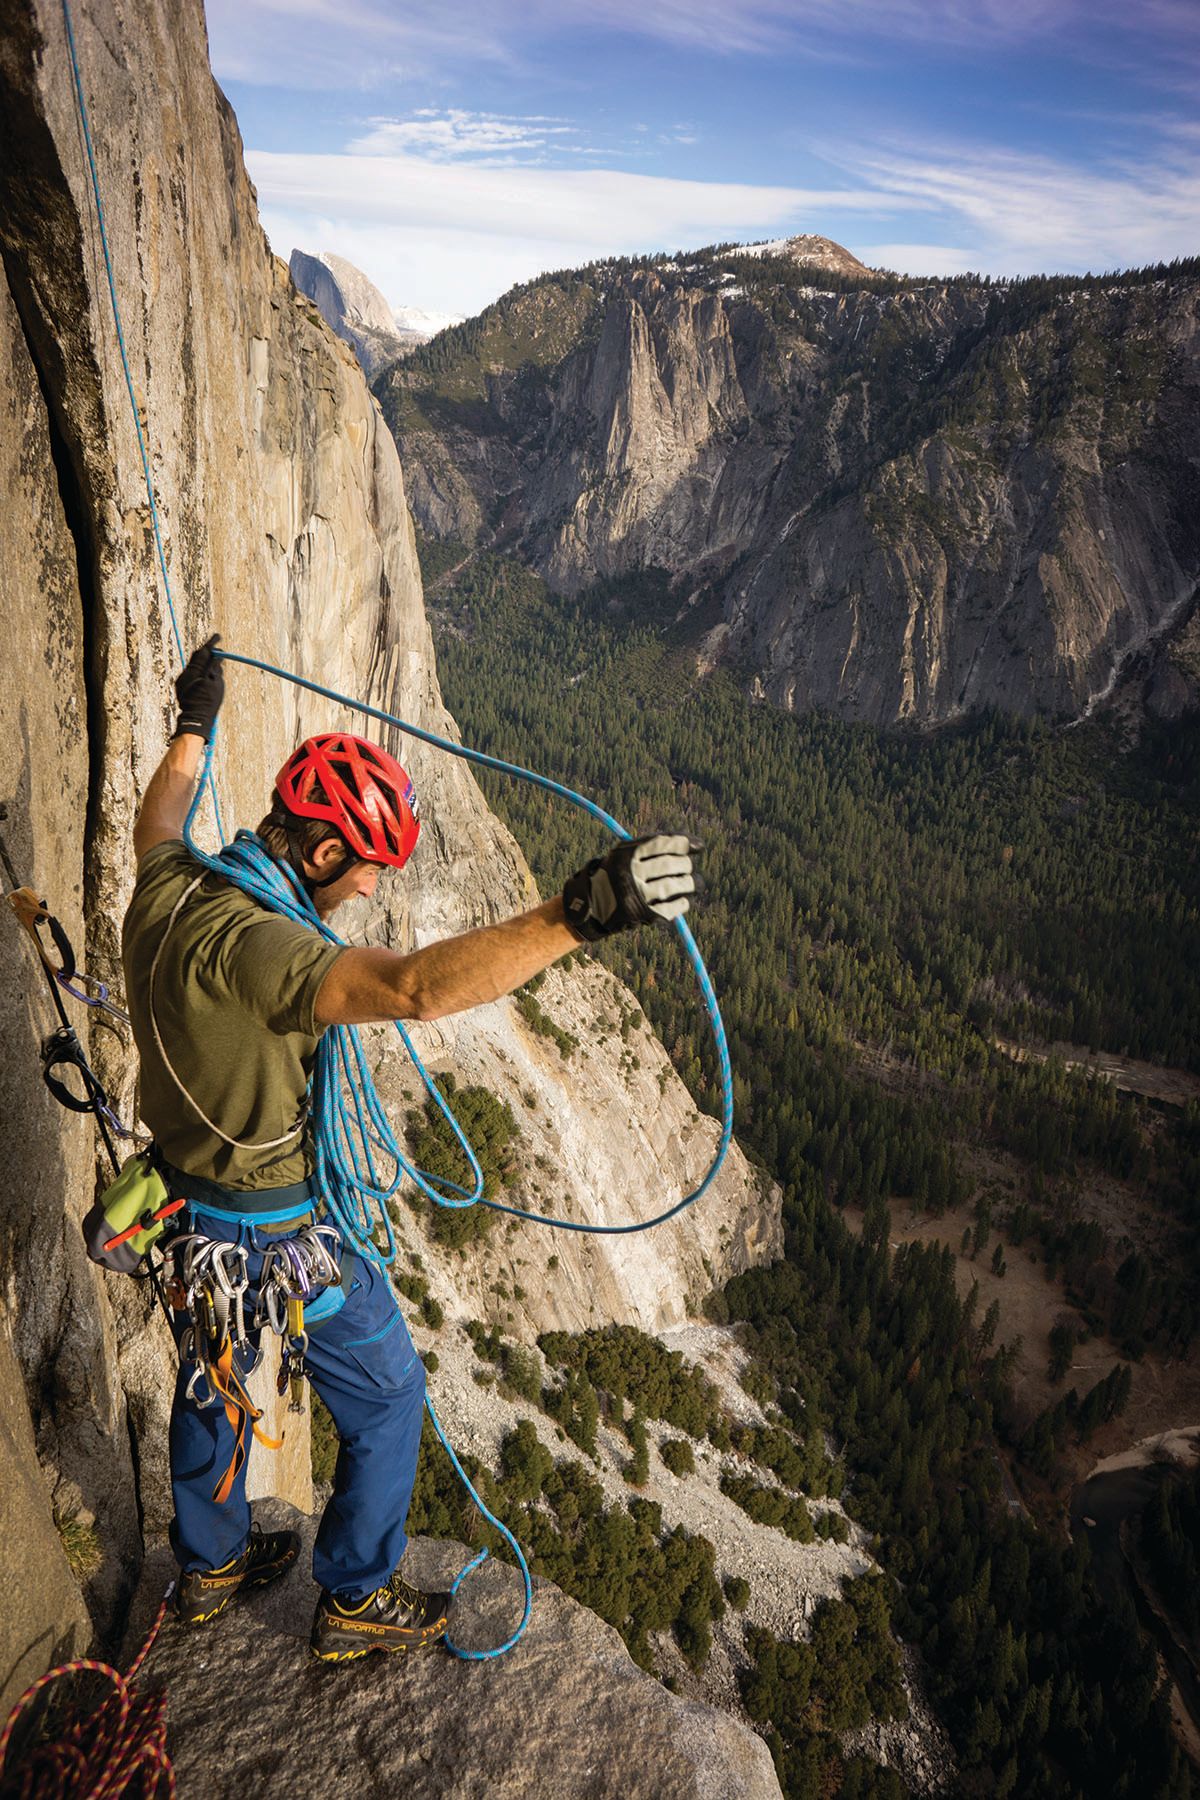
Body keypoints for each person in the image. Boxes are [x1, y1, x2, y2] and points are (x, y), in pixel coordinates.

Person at [119, 637, 696, 1663]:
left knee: (215, 1370)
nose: (374, 894)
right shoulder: (276, 954)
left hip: (181, 1212)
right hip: (271, 1227)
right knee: (387, 1394)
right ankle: (354, 1598)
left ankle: (205, 1566)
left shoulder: (169, 890)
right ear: (328, 853)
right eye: (371, 873)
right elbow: (415, 988)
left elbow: (157, 812)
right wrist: (580, 913)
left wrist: (195, 717)